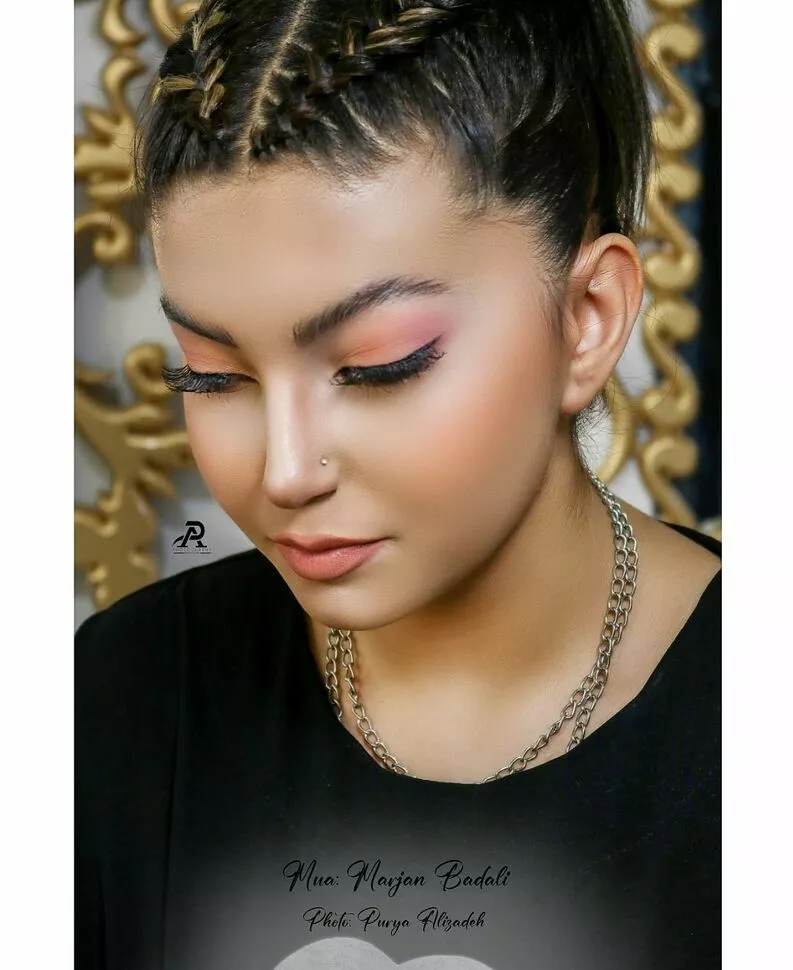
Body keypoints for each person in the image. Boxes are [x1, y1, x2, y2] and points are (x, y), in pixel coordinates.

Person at [75, 2, 721, 968]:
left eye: (378, 367)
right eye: (213, 375)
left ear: (587, 317)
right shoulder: (126, 699)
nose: (285, 472)